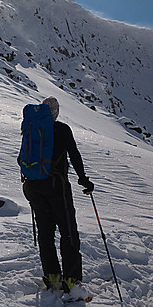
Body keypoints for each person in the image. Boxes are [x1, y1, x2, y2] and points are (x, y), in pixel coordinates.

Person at [22, 96, 95, 296]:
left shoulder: (32, 129)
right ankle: (71, 281)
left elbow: (21, 158)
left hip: (34, 188)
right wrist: (84, 180)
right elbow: (74, 155)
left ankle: (52, 277)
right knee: (68, 231)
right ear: (56, 113)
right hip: (57, 188)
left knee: (45, 232)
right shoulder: (62, 130)